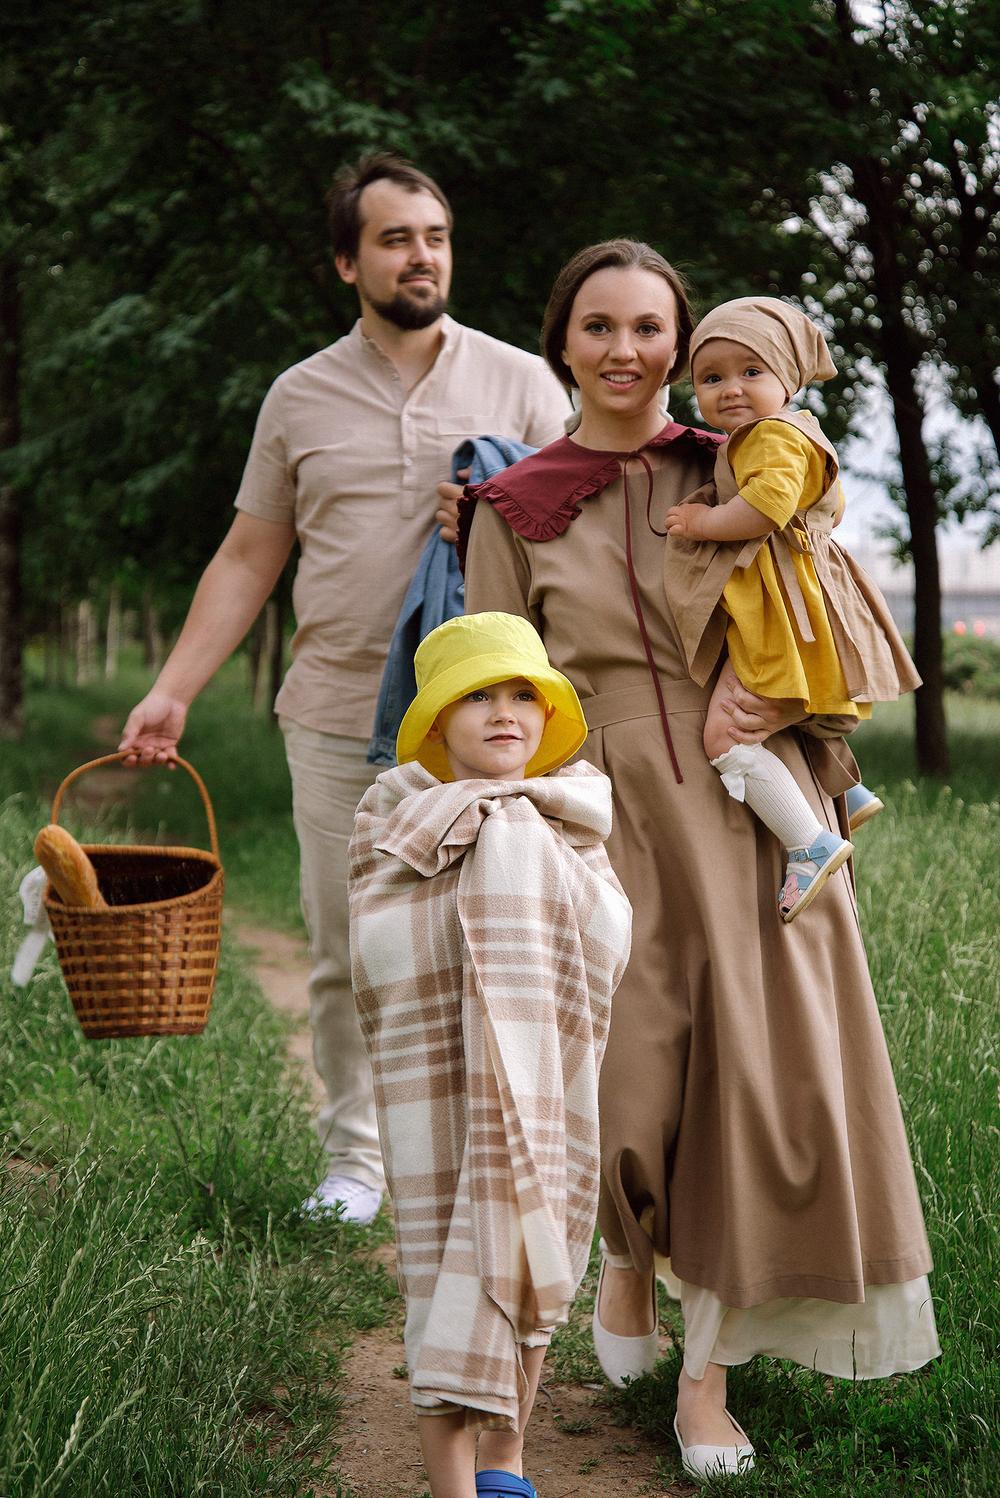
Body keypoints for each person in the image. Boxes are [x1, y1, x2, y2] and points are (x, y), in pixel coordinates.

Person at [458, 240, 939, 1482]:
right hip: (597, 801)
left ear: (682, 344)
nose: (627, 351)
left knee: (751, 1083)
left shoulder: (742, 460)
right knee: (621, 1082)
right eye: (599, 327)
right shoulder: (513, 504)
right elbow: (493, 678)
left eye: (650, 329)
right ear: (561, 340)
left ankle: (707, 1379)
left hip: (749, 793)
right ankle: (626, 1262)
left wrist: (763, 684)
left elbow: (823, 591)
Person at [118, 152, 569, 1225]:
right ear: (345, 262)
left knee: (491, 946)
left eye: (435, 236)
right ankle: (357, 1162)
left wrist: (510, 521)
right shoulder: (299, 395)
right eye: (395, 238)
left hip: (490, 725)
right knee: (346, 946)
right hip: (331, 715)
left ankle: (481, 1163)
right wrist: (173, 690)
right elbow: (247, 556)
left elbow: (589, 545)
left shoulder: (522, 382)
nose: (421, 255)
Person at [348, 612, 632, 1498]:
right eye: (476, 697)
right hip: (437, 1082)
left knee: (534, 1245)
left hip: (545, 1077)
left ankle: (507, 1459)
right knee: (442, 1261)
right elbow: (380, 944)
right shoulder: (398, 815)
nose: (505, 713)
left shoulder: (572, 815)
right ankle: (449, 1482)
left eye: (523, 695)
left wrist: (519, 859)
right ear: (435, 722)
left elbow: (607, 933)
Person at [662, 297, 919, 919]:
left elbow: (767, 508)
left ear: (788, 378)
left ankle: (808, 842)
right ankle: (846, 790)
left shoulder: (773, 436)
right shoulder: (782, 432)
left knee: (727, 733)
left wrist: (703, 520)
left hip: (780, 609)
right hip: (798, 600)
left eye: (751, 372)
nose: (730, 389)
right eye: (711, 377)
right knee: (795, 706)